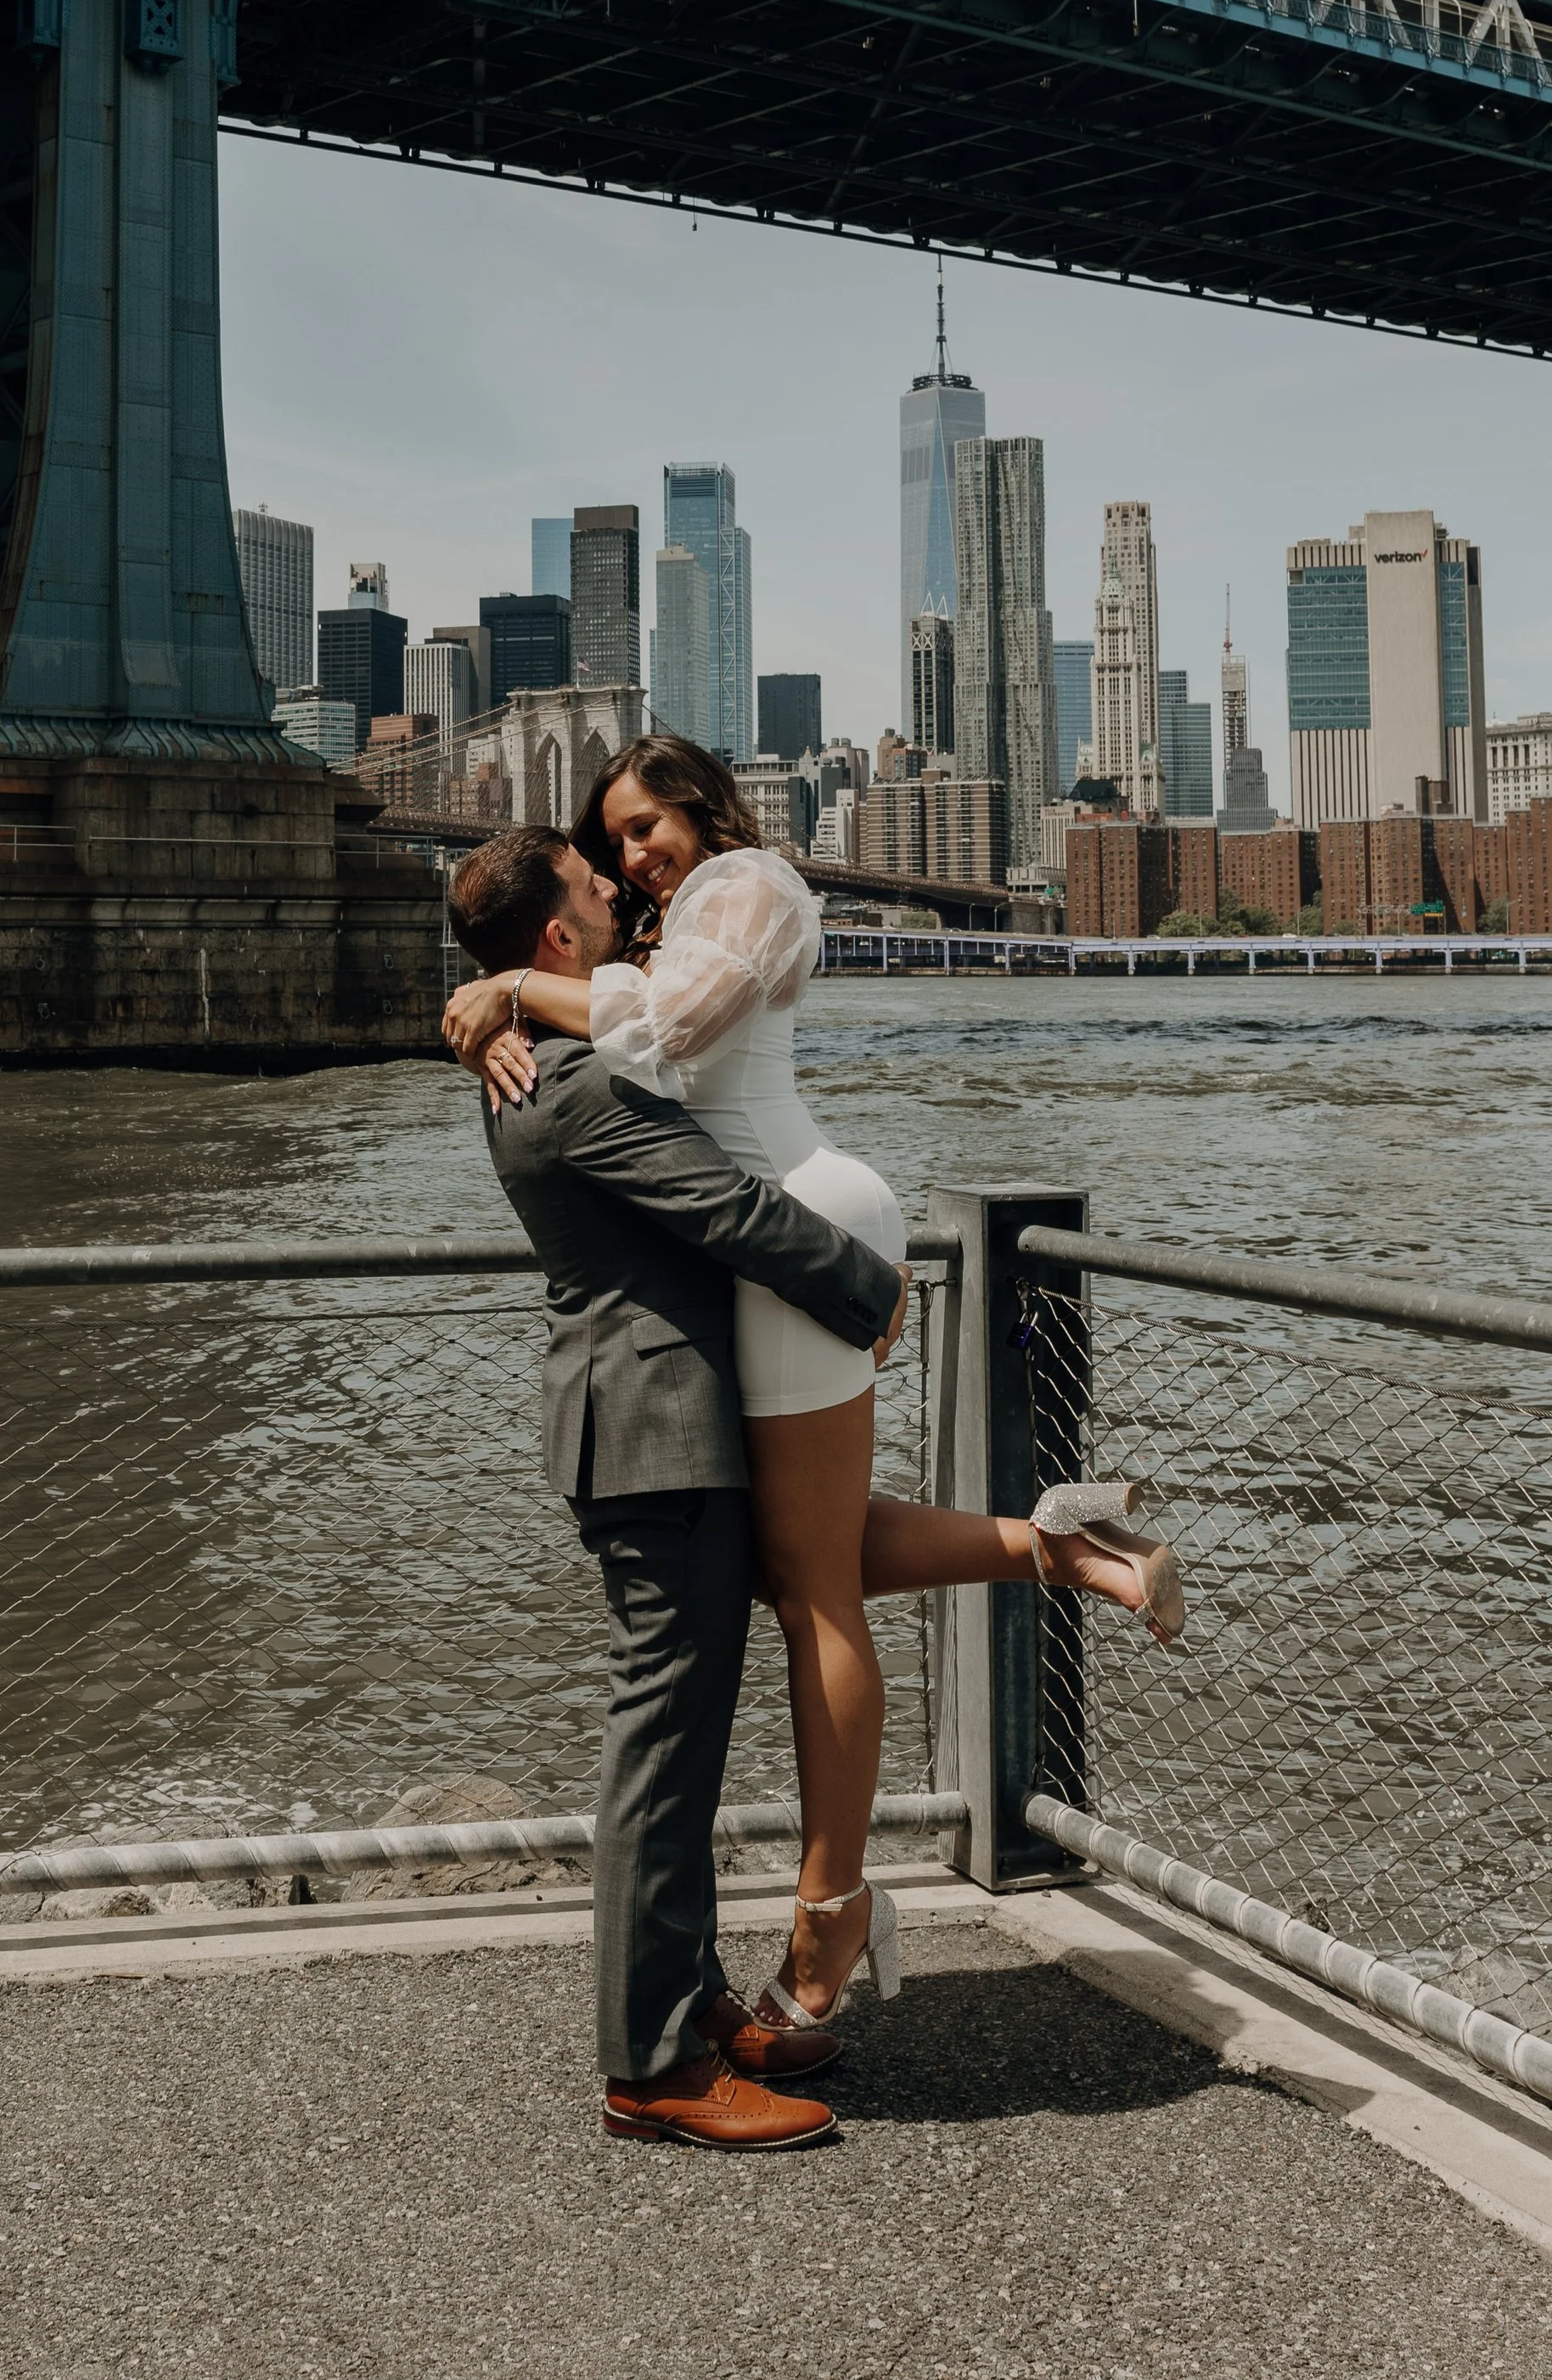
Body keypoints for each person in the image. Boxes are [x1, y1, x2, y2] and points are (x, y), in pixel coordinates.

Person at [445, 734, 1182, 2041]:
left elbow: (664, 1033)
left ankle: (830, 1918)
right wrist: (495, 1002)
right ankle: (1061, 1543)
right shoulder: (658, 921)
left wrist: (507, 987)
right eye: (611, 840)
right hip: (758, 1236)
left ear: (697, 805)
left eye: (643, 823)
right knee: (803, 1557)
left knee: (811, 1594)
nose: (632, 853)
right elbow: (596, 1027)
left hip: (796, 1226)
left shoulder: (753, 883)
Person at [446, 822, 908, 2151]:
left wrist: (489, 1009)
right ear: (555, 936)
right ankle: (651, 2067)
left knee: (687, 1743)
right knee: (660, 1757)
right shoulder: (575, 1087)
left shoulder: (537, 1058)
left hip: (646, 1433)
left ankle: (689, 1999)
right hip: (654, 1438)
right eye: (600, 891)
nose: (622, 902)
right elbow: (726, 1208)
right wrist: (868, 1284)